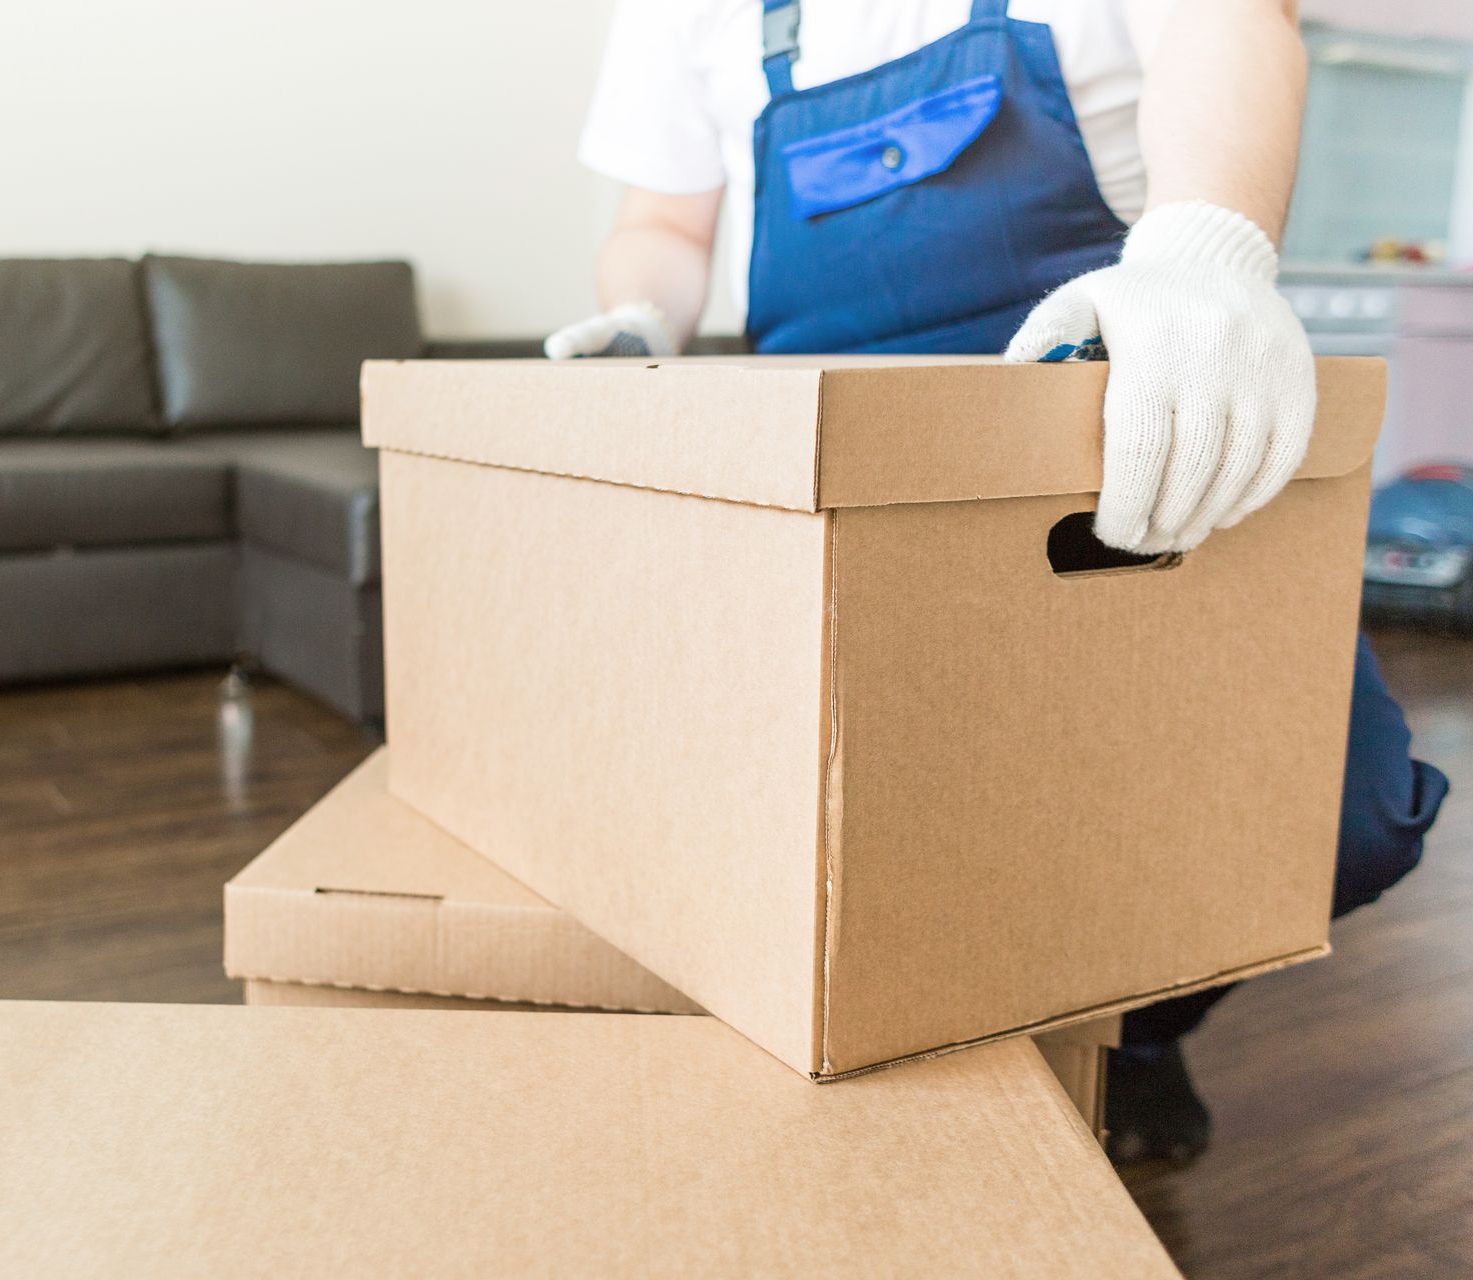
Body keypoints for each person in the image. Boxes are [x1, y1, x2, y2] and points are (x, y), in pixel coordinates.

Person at [549, 0, 1449, 1167]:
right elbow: (665, 220)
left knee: (1343, 815)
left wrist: (1205, 250)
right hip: (838, 466)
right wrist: (644, 318)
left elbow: (1232, 23)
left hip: (1112, 426)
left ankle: (1131, 1020)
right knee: (853, 815)